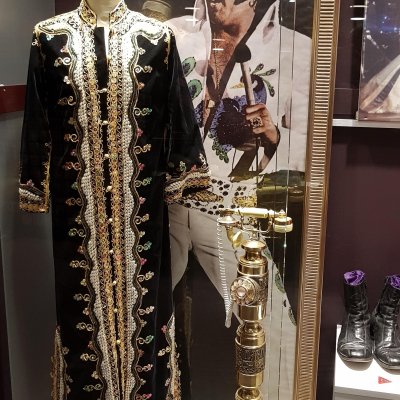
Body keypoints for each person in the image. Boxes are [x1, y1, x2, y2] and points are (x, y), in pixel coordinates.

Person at [19, 1, 209, 399]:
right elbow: (39, 122)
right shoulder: (48, 37)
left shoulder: (157, 38)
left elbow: (177, 113)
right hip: (76, 219)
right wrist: (35, 183)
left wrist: (183, 174)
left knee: (147, 323)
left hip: (143, 218)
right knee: (81, 326)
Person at [167, 0, 312, 398]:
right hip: (168, 203)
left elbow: (311, 151)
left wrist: (273, 136)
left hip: (232, 210)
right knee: (141, 305)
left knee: (271, 322)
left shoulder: (296, 49)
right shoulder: (171, 35)